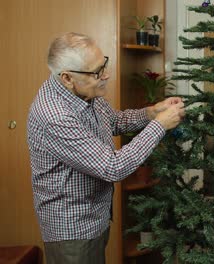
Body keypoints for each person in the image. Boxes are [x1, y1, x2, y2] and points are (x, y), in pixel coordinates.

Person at [27, 32, 185, 264]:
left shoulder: (85, 91)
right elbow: (113, 167)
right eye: (97, 72)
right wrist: (160, 126)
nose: (106, 75)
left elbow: (113, 121)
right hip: (72, 230)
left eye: (104, 65)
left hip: (96, 217)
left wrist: (152, 112)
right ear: (67, 78)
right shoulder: (54, 115)